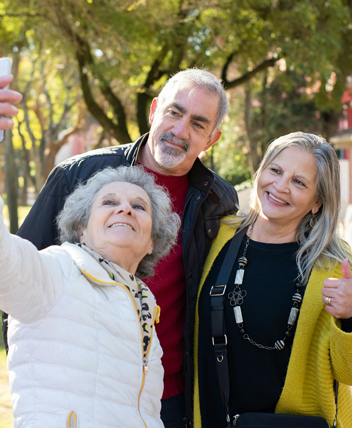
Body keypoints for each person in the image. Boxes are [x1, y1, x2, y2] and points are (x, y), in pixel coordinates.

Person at [0, 68, 239, 427]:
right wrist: (39, 361)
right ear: (155, 109)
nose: (179, 130)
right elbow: (16, 268)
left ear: (212, 138)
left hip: (165, 392)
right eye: (174, 112)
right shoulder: (76, 175)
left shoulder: (218, 200)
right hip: (75, 386)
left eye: (198, 123)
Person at [0, 165, 180, 428]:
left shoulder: (144, 308)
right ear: (81, 228)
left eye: (139, 207)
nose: (126, 209)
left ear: (152, 240)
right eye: (109, 202)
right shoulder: (56, 270)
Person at [193, 132, 352, 428]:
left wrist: (351, 317)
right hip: (212, 418)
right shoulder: (218, 235)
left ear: (317, 202)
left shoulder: (333, 266)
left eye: (299, 182)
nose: (280, 187)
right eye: (275, 171)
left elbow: (349, 372)